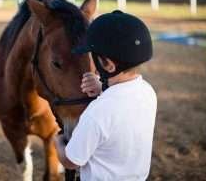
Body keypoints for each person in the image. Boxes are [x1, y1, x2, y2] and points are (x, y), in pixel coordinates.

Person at [54, 10, 157, 181]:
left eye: (92, 56)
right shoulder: (148, 92)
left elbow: (71, 161)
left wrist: (57, 142)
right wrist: (103, 87)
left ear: (107, 64)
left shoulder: (97, 112)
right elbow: (122, 104)